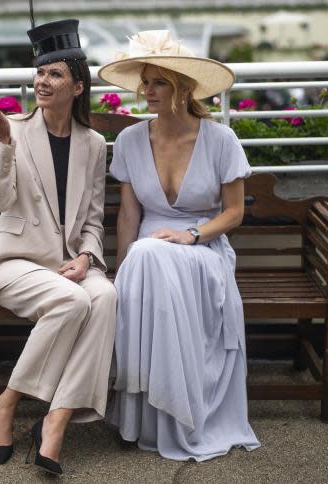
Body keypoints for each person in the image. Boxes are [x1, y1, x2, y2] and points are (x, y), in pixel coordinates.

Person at [98, 30, 261, 461]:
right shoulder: (132, 140)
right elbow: (128, 214)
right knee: (144, 255)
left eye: (159, 83)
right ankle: (151, 415)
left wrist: (189, 236)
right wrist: (119, 272)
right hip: (145, 260)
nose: (147, 91)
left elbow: (234, 214)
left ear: (184, 88)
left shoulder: (221, 139)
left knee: (150, 253)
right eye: (145, 82)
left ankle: (170, 414)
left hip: (202, 250)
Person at [0, 19, 116, 476]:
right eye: (39, 73)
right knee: (74, 300)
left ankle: (56, 420)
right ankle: (10, 400)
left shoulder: (94, 144)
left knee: (106, 295)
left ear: (78, 86)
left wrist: (84, 258)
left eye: (55, 74)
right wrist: (1, 144)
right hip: (16, 262)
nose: (42, 81)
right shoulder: (13, 129)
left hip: (68, 264)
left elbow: (94, 218)